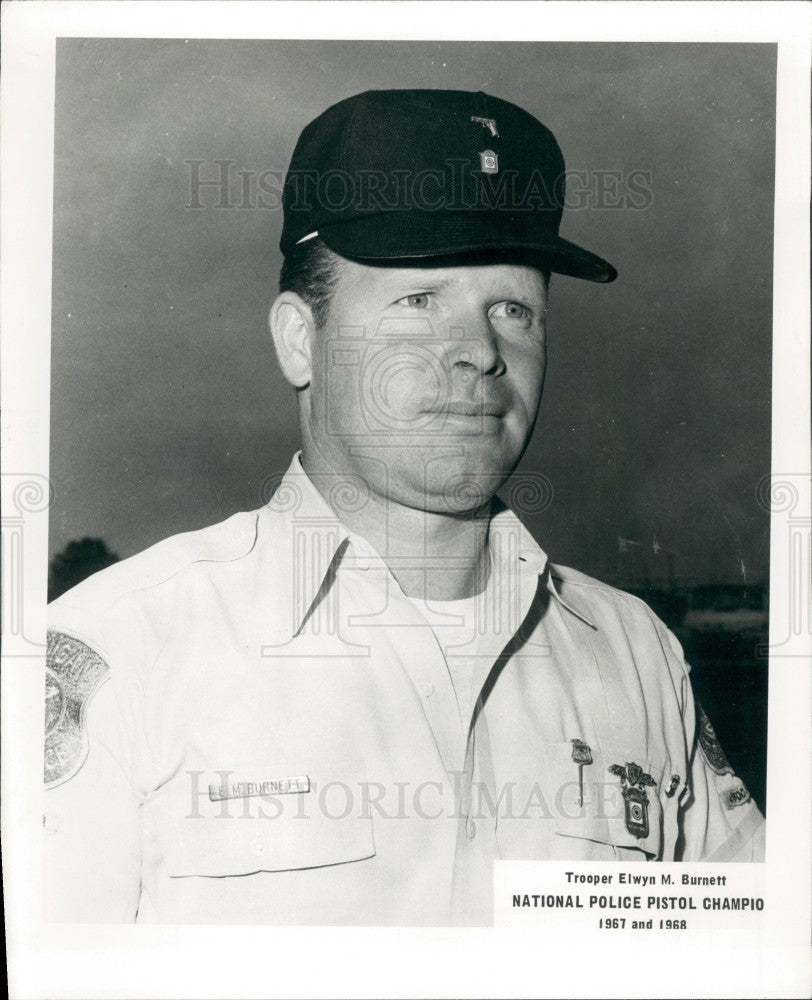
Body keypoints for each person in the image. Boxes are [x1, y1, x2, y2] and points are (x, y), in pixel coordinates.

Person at [44, 88, 764, 926]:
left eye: (512, 308)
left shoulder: (638, 655)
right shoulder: (120, 650)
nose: (479, 352)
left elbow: (745, 953)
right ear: (299, 339)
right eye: (418, 299)